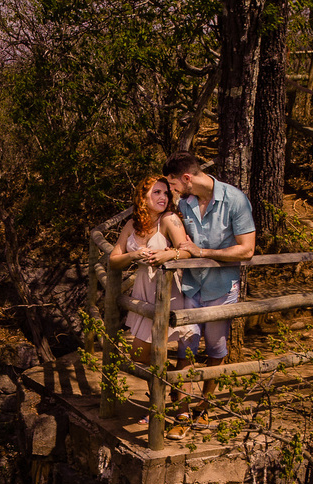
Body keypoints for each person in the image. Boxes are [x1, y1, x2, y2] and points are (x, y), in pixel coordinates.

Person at [161, 151, 256, 437]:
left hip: (221, 288)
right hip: (191, 286)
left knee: (216, 349)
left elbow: (247, 250)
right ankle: (181, 413)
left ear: (186, 178)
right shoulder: (184, 204)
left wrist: (203, 252)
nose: (172, 190)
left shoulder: (235, 200)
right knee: (185, 348)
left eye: (173, 184)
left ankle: (205, 406)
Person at [108, 175, 201, 423]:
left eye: (166, 193)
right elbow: (114, 260)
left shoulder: (169, 219)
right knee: (140, 355)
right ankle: (169, 389)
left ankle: (175, 410)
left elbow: (188, 250)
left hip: (169, 291)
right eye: (156, 192)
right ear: (143, 196)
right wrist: (134, 255)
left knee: (177, 353)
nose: (163, 197)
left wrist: (168, 254)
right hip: (143, 293)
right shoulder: (132, 224)